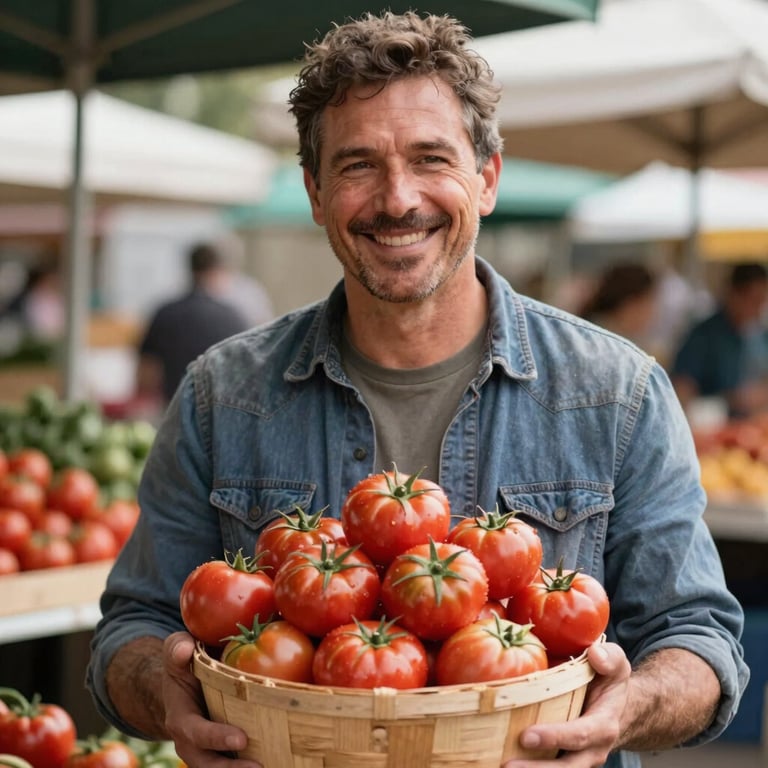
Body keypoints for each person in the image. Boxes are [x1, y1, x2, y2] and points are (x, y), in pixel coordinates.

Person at [87, 12, 748, 768]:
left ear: (487, 179)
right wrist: (165, 697)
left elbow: (699, 640)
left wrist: (624, 713)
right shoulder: (222, 395)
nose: (397, 199)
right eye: (358, 165)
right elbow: (129, 630)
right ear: (314, 190)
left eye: (432, 158)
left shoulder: (615, 391)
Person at [135, 241, 258, 407]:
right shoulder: (235, 316)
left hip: (174, 409)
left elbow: (146, 374)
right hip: (221, 412)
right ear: (219, 272)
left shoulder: (165, 313)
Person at [671, 262, 768, 419]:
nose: (758, 309)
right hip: (715, 425)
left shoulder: (761, 334)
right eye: (754, 300)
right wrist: (731, 400)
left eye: (762, 301)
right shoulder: (703, 336)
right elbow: (682, 388)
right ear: (734, 295)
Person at [578, 262, 659, 352]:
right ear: (630, 305)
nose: (653, 310)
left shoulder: (596, 332)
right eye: (649, 301)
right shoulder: (603, 343)